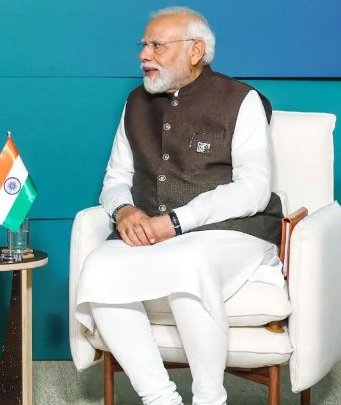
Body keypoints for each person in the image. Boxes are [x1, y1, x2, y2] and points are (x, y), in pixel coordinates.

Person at [75, 7, 283, 405]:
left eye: (157, 45)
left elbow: (254, 189)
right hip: (156, 232)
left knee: (188, 261)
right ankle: (160, 398)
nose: (144, 55)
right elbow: (116, 178)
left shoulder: (242, 100)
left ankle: (209, 397)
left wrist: (176, 222)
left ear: (195, 51)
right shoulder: (135, 103)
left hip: (235, 232)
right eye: (144, 45)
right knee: (99, 266)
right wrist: (123, 211)